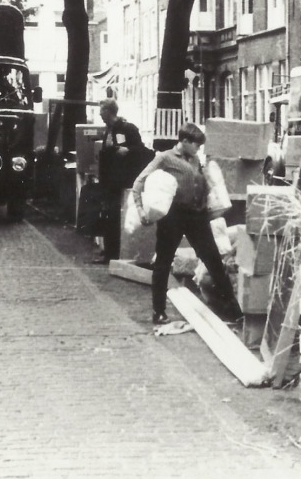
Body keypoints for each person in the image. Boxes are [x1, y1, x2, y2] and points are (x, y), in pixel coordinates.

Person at [132, 122, 243, 326]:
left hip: (197, 217)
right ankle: (158, 312)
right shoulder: (164, 158)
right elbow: (138, 183)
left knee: (213, 261)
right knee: (163, 262)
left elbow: (201, 185)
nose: (198, 149)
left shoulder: (195, 160)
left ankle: (233, 311)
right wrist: (140, 210)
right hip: (173, 216)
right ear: (184, 141)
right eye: (196, 145)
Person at [94, 98, 150, 264]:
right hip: (109, 181)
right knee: (108, 216)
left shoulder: (127, 129)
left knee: (118, 216)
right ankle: (109, 252)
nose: (100, 114)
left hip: (122, 180)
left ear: (109, 112)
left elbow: (141, 150)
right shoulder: (108, 130)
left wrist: (128, 150)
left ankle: (117, 252)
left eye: (102, 111)